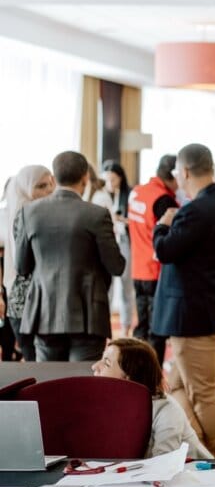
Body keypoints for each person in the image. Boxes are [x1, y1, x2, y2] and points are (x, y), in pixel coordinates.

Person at [150, 143, 215, 458]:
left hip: (191, 315)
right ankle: (198, 445)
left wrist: (162, 224)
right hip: (206, 308)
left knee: (201, 393)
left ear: (185, 171)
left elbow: (165, 251)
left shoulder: (195, 210)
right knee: (173, 389)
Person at [14, 151, 125, 361]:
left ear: (54, 179)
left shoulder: (29, 213)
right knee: (82, 385)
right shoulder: (97, 214)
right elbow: (116, 266)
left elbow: (22, 267)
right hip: (88, 315)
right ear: (85, 177)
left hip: (44, 312)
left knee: (49, 384)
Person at [91, 337, 211, 459]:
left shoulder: (167, 411)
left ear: (129, 379)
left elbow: (163, 467)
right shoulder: (110, 406)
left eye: (106, 363)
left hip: (199, 474)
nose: (94, 366)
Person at [127, 154, 179, 364]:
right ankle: (151, 376)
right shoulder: (163, 200)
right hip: (156, 272)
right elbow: (169, 237)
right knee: (156, 330)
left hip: (138, 269)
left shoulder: (137, 192)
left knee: (141, 327)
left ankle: (134, 371)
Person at [2, 166, 55, 360]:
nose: (48, 190)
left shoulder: (37, 213)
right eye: (41, 186)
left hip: (34, 299)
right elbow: (22, 264)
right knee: (36, 359)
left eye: (50, 184)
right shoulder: (23, 214)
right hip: (26, 301)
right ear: (25, 188)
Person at [95, 161, 135, 338]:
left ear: (120, 178)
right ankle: (106, 327)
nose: (110, 183)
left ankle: (126, 328)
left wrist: (121, 220)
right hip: (107, 241)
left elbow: (135, 221)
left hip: (125, 240)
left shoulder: (130, 194)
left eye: (113, 179)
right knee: (106, 285)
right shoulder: (100, 195)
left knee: (126, 284)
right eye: (107, 179)